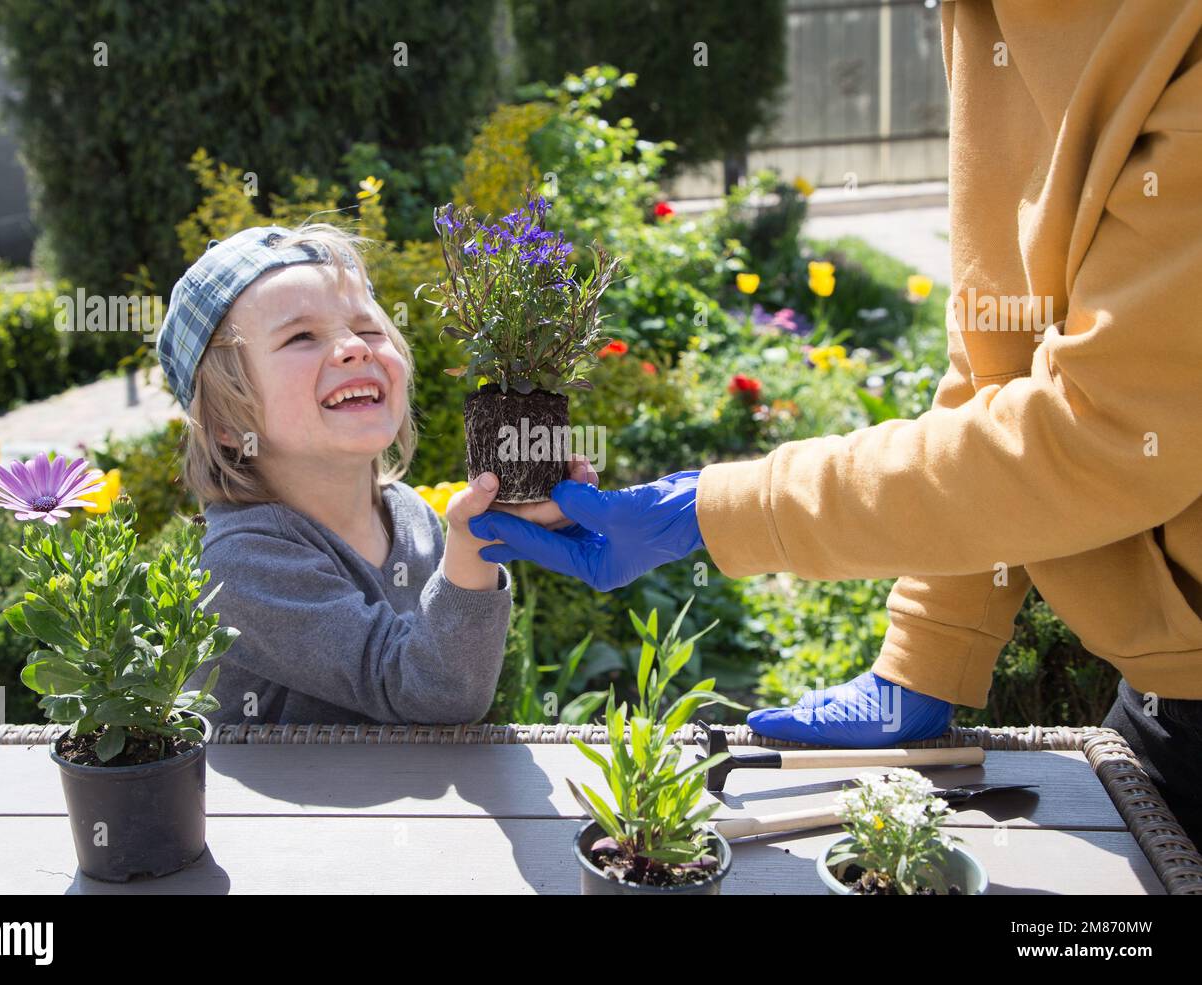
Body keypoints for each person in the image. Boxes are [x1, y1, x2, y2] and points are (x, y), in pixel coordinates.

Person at [469, 1, 1202, 846]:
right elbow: (998, 369)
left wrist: (711, 510)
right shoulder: (985, 14)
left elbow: (1103, 430)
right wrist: (928, 651)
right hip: (1165, 702)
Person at [155, 223, 527, 728]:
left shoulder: (409, 513)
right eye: (301, 336)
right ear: (226, 422)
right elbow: (434, 692)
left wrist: (512, 516)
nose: (355, 348)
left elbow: (454, 664)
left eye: (370, 329)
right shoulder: (243, 563)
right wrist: (473, 541)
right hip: (282, 810)